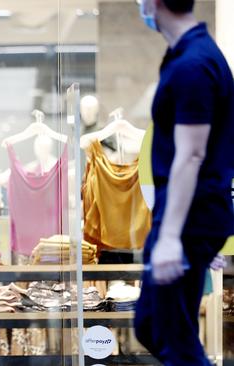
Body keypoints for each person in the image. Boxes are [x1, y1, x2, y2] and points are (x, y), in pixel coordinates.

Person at [133, 1, 234, 365]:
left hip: (189, 216)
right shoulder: (188, 57)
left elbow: (191, 155)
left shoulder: (194, 65)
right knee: (152, 323)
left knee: (169, 331)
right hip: (191, 215)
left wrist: (173, 237)